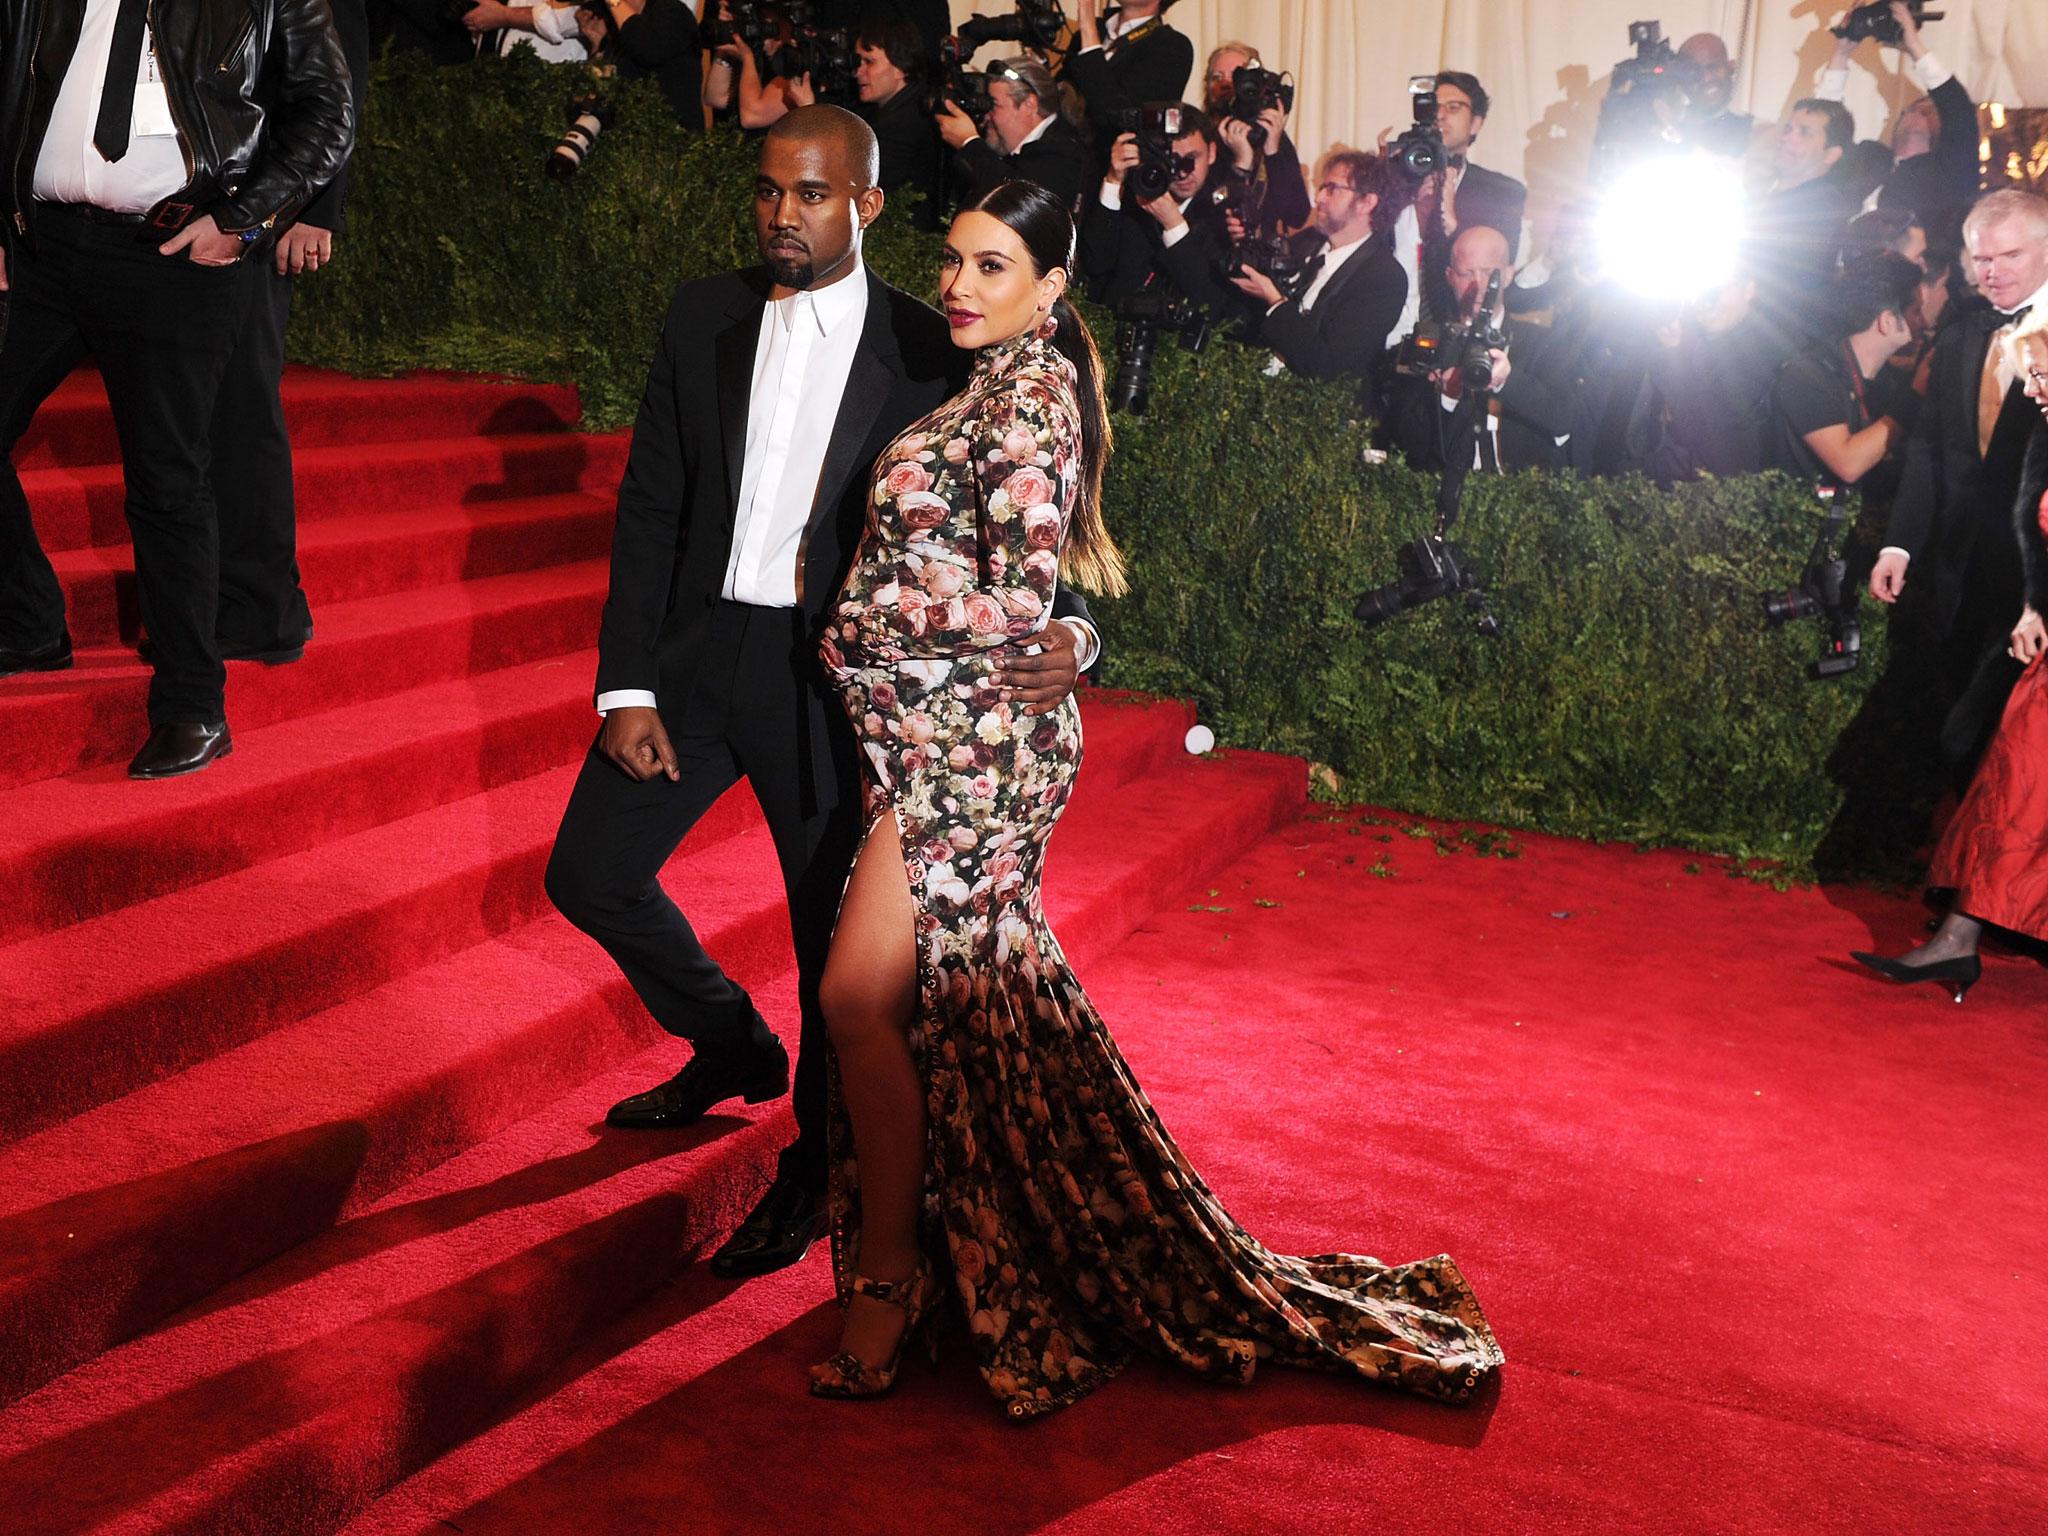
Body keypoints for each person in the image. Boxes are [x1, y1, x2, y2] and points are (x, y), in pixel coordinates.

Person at [807, 176, 1503, 1411]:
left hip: (979, 749)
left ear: (1050, 287)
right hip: (931, 739)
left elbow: (1015, 603)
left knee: (859, 998)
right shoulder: (984, 380)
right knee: (959, 1020)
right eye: (956, 262)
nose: (960, 289)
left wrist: (863, 617)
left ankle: (893, 1273)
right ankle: (985, 1245)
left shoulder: (1030, 405)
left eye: (991, 270)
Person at [542, 108, 1101, 1283]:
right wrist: (626, 683)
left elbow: (1038, 507)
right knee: (587, 871)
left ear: (865, 204)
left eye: (808, 195)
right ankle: (724, 1038)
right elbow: (650, 507)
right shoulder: (703, 313)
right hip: (694, 665)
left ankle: (813, 1166)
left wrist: (1078, 631)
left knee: (823, 949)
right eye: (766, 192)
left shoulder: (929, 340)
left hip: (831, 692)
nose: (781, 215)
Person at [0, 0, 355, 777]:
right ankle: (27, 620)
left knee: (168, 481)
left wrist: (245, 219)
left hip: (177, 251)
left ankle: (193, 705)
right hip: (43, 246)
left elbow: (329, 109)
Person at [1851, 311, 2048, 1001]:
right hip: (2012, 608)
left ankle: (1963, 937)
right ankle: (1960, 937)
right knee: (2014, 781)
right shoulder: (1981, 346)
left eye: (2046, 376)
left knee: (2021, 781)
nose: (2036, 390)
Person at [206, 0, 370, 668]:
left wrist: (314, 209)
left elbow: (339, 76)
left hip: (266, 199)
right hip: (181, 197)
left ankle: (261, 609)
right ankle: (225, 598)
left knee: (242, 404)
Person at [1869, 189, 2048, 782]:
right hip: (1961, 560)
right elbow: (1928, 446)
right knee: (1952, 713)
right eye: (1981, 259)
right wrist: (1900, 543)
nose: (1992, 273)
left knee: (1999, 732)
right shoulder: (1962, 334)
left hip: (2036, 571)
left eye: (2010, 256)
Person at [1389, 226, 1579, 474]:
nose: (1478, 285)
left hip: (1517, 496)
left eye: (1489, 273)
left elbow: (1564, 420)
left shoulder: (1542, 343)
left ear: (1509, 275)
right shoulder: (1431, 342)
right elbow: (1407, 442)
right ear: (1450, 276)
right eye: (1466, 272)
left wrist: (1506, 382)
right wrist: (1447, 398)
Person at [1227, 150, 1408, 390]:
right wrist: (1246, 245)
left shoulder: (1384, 277)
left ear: (1367, 202)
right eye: (1321, 187)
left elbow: (1327, 365)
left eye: (1332, 189)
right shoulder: (1305, 242)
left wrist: (1275, 302)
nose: (1319, 197)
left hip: (1318, 415)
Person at [1817, 2, 1977, 246]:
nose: (1917, 113)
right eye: (1911, 109)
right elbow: (1822, 129)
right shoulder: (1866, 159)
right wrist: (1841, 54)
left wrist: (1914, 47)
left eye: (1928, 111)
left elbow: (1959, 110)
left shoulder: (1948, 172)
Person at [1619, 266, 1789, 485]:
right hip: (1672, 492)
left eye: (1718, 290)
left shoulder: (1762, 349)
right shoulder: (1696, 339)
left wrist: (1672, 354)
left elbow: (1698, 428)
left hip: (1725, 500)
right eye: (1698, 291)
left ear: (1749, 289)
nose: (1707, 302)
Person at [1765, 250, 1920, 489]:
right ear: (1887, 321)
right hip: (1803, 521)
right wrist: (1915, 395)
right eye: (1915, 312)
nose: (1924, 323)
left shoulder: (1885, 383)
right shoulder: (1808, 376)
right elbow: (1848, 463)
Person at [1388, 71, 1526, 335]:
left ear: (1476, 123)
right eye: (1434, 108)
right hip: (1387, 329)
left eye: (1453, 108)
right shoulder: (1392, 178)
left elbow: (1499, 271)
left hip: (1455, 333)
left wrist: (1452, 225)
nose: (1440, 115)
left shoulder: (1504, 192)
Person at [1077, 104, 1234, 311]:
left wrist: (1174, 225)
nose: (1183, 173)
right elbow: (1094, 263)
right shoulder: (1137, 198)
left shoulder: (1225, 214)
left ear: (1212, 152)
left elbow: (1211, 302)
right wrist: (1114, 181)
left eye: (1192, 159)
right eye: (1172, 160)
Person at [1753, 98, 1860, 340]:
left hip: (1772, 337)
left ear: (1831, 154)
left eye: (1804, 133)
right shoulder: (1766, 191)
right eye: (1788, 129)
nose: (1788, 138)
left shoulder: (1820, 208)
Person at [942, 57, 1089, 216]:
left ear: (1028, 105)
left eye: (994, 104)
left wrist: (969, 143)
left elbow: (1018, 201)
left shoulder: (1063, 152)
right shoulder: (1045, 142)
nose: (987, 115)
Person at [1202, 41, 1310, 239]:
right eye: (1216, 77)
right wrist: (1241, 165)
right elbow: (1207, 205)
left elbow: (1297, 215)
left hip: (1261, 257)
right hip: (1211, 252)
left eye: (1235, 76)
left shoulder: (1271, 135)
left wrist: (1272, 152)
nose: (1225, 84)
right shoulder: (1199, 135)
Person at [1060, 0, 1194, 146]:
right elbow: (1060, 95)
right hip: (1063, 153)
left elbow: (1117, 118)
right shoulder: (1091, 32)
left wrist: (1087, 24)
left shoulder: (1172, 45)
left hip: (1111, 161)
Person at [853, 19, 942, 214]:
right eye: (859, 61)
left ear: (901, 67)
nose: (858, 72)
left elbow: (854, 182)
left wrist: (808, 111)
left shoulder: (905, 123)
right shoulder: (905, 106)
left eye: (869, 61)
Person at [1675, 32, 1755, 160]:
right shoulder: (1668, 130)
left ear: (1731, 67)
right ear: (1681, 81)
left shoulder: (1759, 133)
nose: (1706, 78)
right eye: (1694, 72)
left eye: (1713, 67)